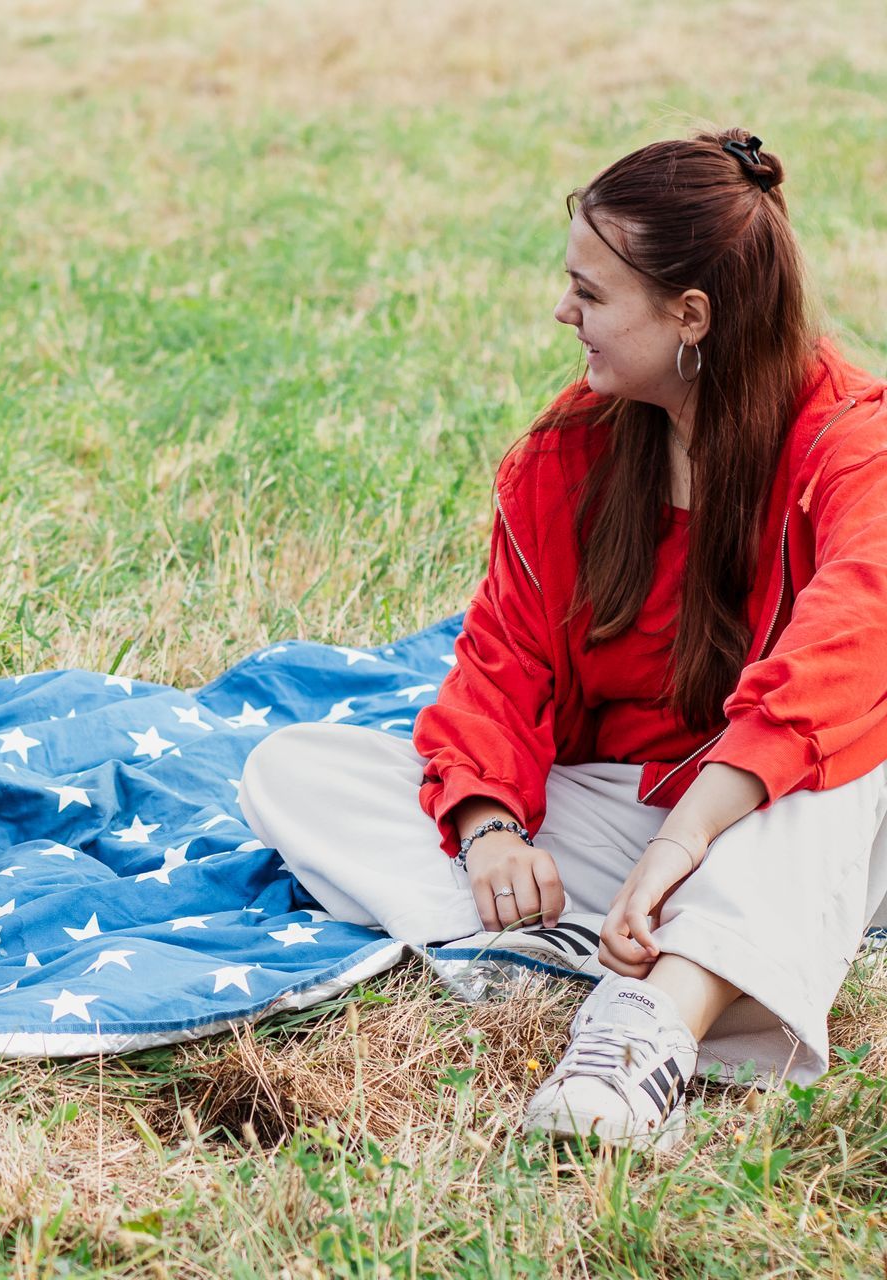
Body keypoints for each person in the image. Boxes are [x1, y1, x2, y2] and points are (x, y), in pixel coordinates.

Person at [238, 129, 887, 1150]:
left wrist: (688, 837)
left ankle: (645, 1031)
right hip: (630, 812)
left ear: (691, 316)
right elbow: (498, 666)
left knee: (847, 746)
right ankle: (680, 956)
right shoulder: (571, 451)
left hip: (779, 812)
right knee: (294, 767)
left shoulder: (849, 439)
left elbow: (849, 651)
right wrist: (493, 824)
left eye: (590, 293)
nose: (562, 312)